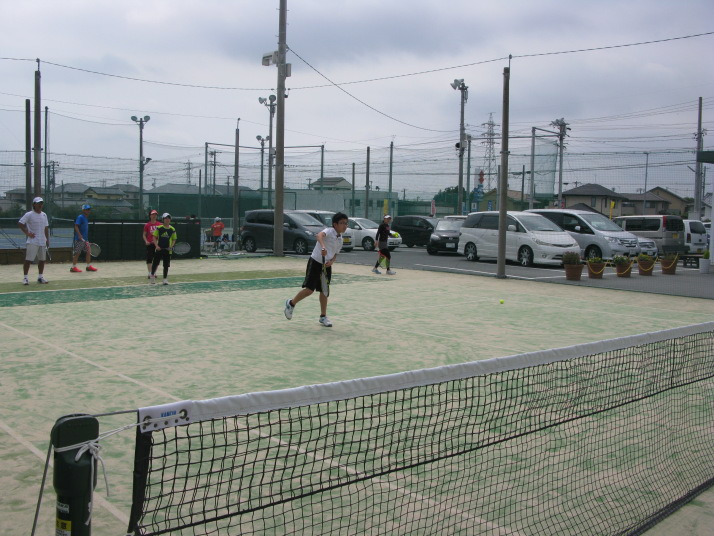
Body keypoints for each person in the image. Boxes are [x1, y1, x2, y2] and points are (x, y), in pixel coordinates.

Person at [284, 212, 348, 328]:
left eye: (346, 223)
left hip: (326, 266)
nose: (345, 225)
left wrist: (332, 261)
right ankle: (291, 303)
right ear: (335, 224)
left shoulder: (340, 240)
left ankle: (323, 316)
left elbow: (335, 254)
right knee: (309, 290)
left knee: (324, 291)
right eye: (342, 223)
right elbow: (319, 236)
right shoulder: (329, 231)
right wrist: (323, 246)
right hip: (315, 262)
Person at [17, 197, 50, 285]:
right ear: (34, 204)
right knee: (28, 260)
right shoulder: (29, 214)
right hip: (32, 241)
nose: (40, 205)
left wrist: (47, 239)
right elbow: (20, 223)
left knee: (42, 260)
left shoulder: (44, 215)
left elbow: (46, 228)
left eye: (41, 203)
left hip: (42, 241)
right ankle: (25, 278)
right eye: (38, 203)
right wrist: (27, 233)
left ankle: (40, 277)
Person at [151, 213, 176, 285]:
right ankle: (152, 277)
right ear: (163, 219)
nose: (167, 219)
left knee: (166, 265)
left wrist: (171, 246)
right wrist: (156, 246)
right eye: (165, 218)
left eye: (168, 218)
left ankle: (165, 279)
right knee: (155, 263)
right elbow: (154, 237)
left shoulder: (172, 229)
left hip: (167, 250)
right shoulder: (159, 228)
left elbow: (174, 239)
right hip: (159, 249)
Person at [70, 204, 98, 273]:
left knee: (88, 252)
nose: (88, 211)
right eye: (87, 209)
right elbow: (76, 226)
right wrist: (79, 235)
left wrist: (85, 238)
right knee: (77, 253)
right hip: (79, 239)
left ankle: (88, 266)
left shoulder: (86, 218)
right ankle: (73, 267)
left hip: (85, 239)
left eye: (89, 209)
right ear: (83, 210)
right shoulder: (80, 217)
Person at [142, 210, 162, 279]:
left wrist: (159, 242)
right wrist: (146, 241)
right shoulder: (147, 225)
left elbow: (161, 235)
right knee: (149, 258)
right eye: (153, 214)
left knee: (157, 259)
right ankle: (150, 272)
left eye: (155, 215)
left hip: (158, 245)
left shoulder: (160, 225)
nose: (154, 216)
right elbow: (144, 235)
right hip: (150, 244)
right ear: (150, 216)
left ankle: (154, 272)